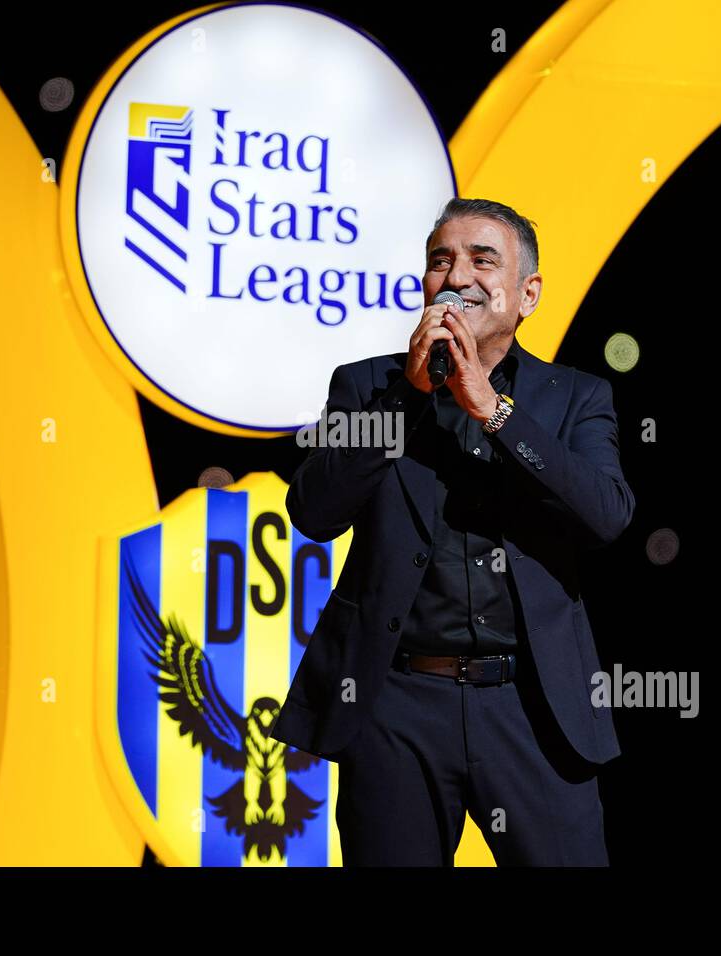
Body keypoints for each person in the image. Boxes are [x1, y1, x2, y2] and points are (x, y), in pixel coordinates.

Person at [271, 197, 636, 866]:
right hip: (396, 702)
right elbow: (315, 512)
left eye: (481, 259)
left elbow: (606, 515)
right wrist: (409, 397)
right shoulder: (366, 387)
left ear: (527, 294)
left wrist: (493, 411)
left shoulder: (575, 398)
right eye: (441, 261)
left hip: (532, 704)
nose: (456, 275)